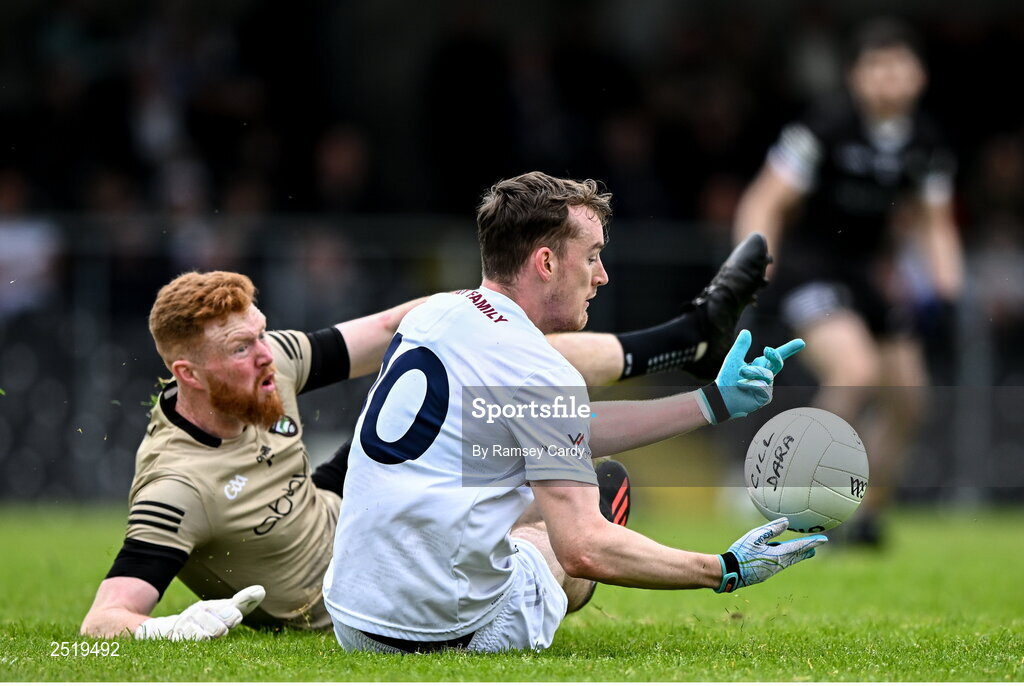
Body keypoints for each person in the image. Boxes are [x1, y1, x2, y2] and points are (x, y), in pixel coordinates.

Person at [80, 225, 772, 639]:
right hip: (347, 583)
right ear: (187, 374)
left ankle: (692, 344)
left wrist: (480, 310)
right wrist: (170, 627)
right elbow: (104, 619)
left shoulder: (273, 363)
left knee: (509, 365)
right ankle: (691, 341)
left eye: (262, 335)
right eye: (241, 349)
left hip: (344, 503)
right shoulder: (178, 488)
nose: (266, 355)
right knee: (579, 495)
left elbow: (385, 331)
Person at [323, 171, 825, 654]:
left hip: (351, 615)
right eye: (592, 257)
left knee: (522, 479)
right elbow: (583, 548)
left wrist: (712, 402)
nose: (602, 276)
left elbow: (565, 429)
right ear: (546, 263)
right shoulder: (537, 367)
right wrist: (724, 566)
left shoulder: (436, 313)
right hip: (441, 633)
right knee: (596, 501)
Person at [733, 18, 964, 544]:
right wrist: (752, 266)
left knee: (910, 399)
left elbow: (935, 223)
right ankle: (791, 504)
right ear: (855, 76)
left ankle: (865, 515)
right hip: (810, 270)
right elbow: (764, 199)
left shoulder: (926, 142)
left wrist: (947, 291)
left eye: (899, 64)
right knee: (854, 369)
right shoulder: (824, 126)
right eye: (876, 65)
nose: (888, 76)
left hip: (869, 276)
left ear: (919, 75)